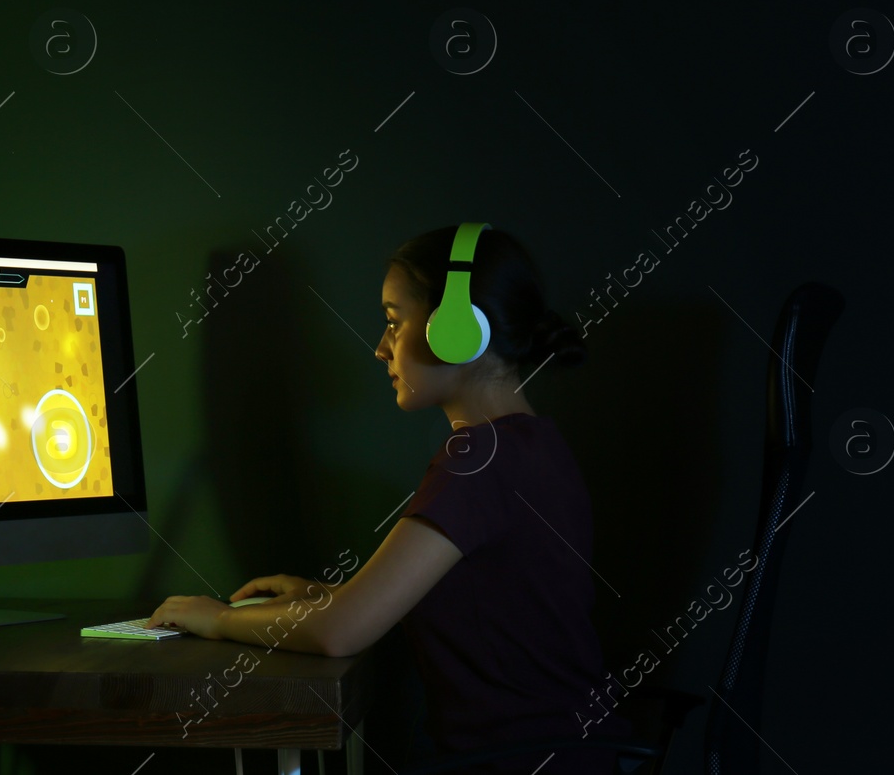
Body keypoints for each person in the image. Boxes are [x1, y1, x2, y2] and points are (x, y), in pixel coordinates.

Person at [148, 225, 629, 774]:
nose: (381, 347)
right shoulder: (530, 443)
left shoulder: (480, 458)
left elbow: (341, 633)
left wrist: (215, 620)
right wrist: (328, 596)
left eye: (395, 321)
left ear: (457, 330)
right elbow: (471, 606)